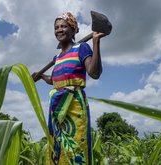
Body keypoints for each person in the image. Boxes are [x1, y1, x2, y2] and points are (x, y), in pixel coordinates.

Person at [32, 11, 106, 165]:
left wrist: (96, 43)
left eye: (64, 26)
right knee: (56, 146)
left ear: (72, 29)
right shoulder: (57, 58)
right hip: (57, 108)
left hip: (74, 106)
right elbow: (55, 80)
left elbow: (94, 73)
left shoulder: (81, 48)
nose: (59, 29)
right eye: (56, 27)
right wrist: (40, 77)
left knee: (75, 144)